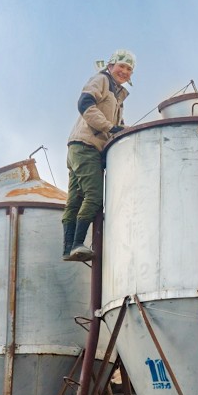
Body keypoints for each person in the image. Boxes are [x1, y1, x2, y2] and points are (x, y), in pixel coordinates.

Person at [61, 49, 134, 261]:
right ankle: (77, 244)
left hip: (79, 147)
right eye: (121, 66)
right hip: (86, 146)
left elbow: (116, 125)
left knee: (75, 199)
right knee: (94, 196)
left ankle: (67, 249)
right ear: (111, 65)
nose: (124, 71)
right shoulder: (101, 80)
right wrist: (109, 128)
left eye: (129, 69)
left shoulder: (118, 95)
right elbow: (85, 104)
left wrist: (122, 130)